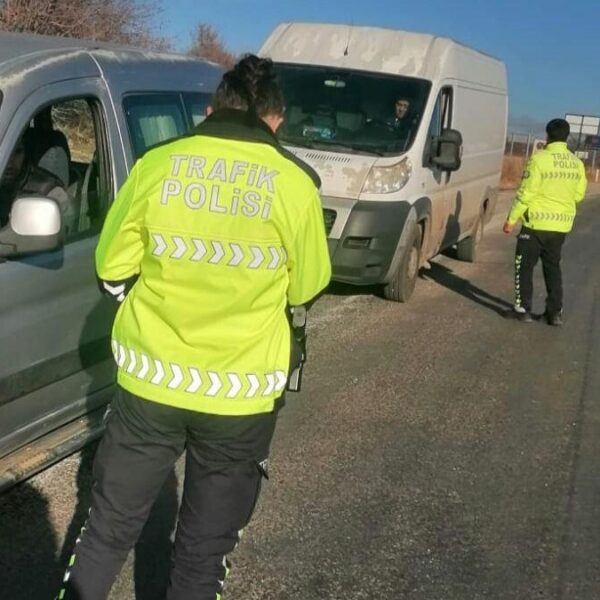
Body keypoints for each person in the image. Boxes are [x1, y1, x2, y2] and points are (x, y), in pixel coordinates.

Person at [56, 54, 332, 600]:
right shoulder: (296, 183)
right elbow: (307, 288)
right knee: (202, 554)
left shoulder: (158, 164)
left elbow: (112, 270)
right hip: (241, 396)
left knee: (106, 532)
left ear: (211, 110)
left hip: (149, 383)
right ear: (276, 121)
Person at [503, 118, 587, 325]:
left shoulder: (539, 159)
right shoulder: (577, 164)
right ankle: (554, 313)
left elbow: (526, 193)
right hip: (560, 226)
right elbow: (578, 195)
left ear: (548, 135)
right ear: (567, 137)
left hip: (535, 225)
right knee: (552, 267)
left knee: (524, 266)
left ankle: (523, 309)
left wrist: (511, 219)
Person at [0, 136, 68, 228]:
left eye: (17, 152)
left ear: (25, 153)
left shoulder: (48, 190)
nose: (9, 162)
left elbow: (56, 236)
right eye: (2, 152)